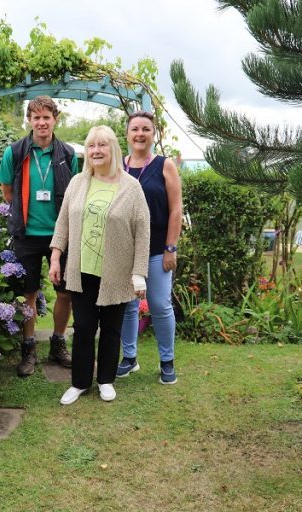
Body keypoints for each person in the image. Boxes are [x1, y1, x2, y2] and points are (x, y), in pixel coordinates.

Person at [49, 125, 150, 405]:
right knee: (83, 327)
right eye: (91, 145)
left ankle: (106, 380)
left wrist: (139, 272)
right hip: (82, 271)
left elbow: (143, 231)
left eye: (102, 145)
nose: (96, 151)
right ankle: (80, 382)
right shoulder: (78, 182)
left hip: (116, 272)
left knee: (111, 328)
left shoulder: (131, 187)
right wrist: (56, 257)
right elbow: (63, 223)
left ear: (113, 150)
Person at [0, 95, 79, 376]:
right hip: (27, 236)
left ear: (55, 120)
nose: (42, 122)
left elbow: (76, 193)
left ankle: (58, 344)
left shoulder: (68, 155)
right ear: (29, 121)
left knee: (65, 293)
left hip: (61, 234)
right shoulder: (16, 152)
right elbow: (7, 192)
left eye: (47, 117)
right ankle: (29, 348)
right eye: (36, 117)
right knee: (28, 294)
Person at [116, 111, 183, 384]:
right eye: (135, 129)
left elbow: (176, 210)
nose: (140, 134)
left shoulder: (165, 165)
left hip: (157, 251)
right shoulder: (118, 166)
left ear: (153, 134)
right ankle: (129, 358)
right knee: (128, 306)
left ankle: (167, 361)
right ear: (127, 134)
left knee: (159, 305)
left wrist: (171, 248)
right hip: (126, 251)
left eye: (145, 129)